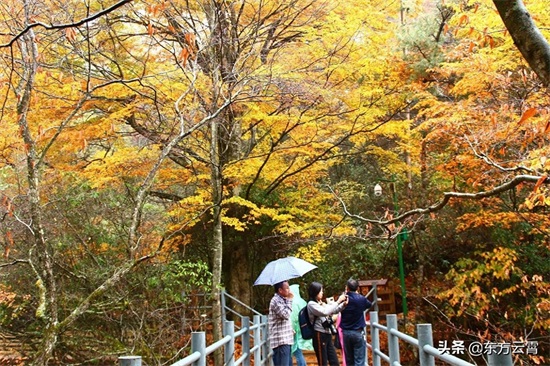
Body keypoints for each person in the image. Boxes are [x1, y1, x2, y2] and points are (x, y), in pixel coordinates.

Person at [307, 281, 348, 366]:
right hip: (319, 334)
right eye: (321, 291)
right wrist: (338, 301)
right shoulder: (311, 304)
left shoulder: (319, 303)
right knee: (323, 362)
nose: (322, 293)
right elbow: (325, 312)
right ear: (315, 292)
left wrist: (343, 305)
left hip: (327, 334)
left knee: (335, 362)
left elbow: (333, 310)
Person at [339, 279, 372, 366]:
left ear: (347, 288)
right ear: (357, 287)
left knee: (349, 360)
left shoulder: (344, 299)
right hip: (358, 332)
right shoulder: (361, 299)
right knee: (359, 360)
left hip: (346, 332)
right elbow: (369, 304)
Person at [268, 280, 294, 366]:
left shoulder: (283, 300)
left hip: (286, 339)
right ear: (280, 290)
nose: (289, 290)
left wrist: (290, 329)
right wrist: (290, 300)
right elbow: (285, 315)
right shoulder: (275, 301)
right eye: (287, 288)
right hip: (280, 341)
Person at [290, 284, 314, 366]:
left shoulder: (292, 302)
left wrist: (292, 327)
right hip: (303, 328)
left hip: (295, 329)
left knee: (295, 351)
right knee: (297, 350)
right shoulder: (302, 301)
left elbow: (293, 318)